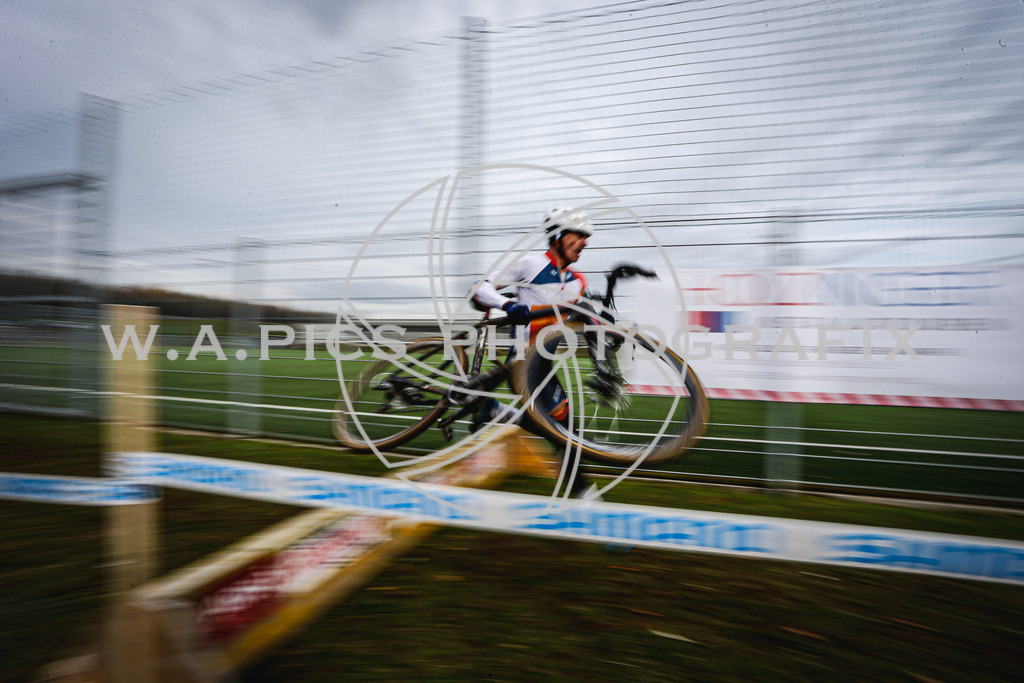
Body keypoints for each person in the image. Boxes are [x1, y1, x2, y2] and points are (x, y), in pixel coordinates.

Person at [468, 207, 620, 499]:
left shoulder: (578, 282)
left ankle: (494, 411)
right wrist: (508, 305)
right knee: (564, 429)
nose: (585, 243)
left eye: (586, 237)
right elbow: (479, 287)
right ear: (558, 236)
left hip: (545, 363)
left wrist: (608, 330)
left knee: (557, 426)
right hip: (523, 361)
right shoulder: (530, 264)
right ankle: (584, 495)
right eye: (579, 236)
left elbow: (582, 318)